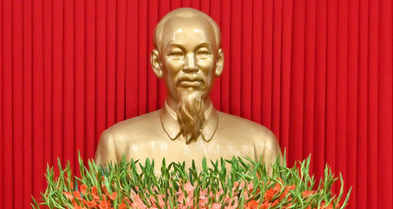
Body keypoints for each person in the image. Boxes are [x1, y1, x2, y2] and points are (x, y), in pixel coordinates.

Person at [94, 7, 281, 168]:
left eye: (202, 53)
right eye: (176, 54)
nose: (190, 66)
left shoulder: (260, 147)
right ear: (157, 64)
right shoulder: (117, 145)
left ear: (218, 62)